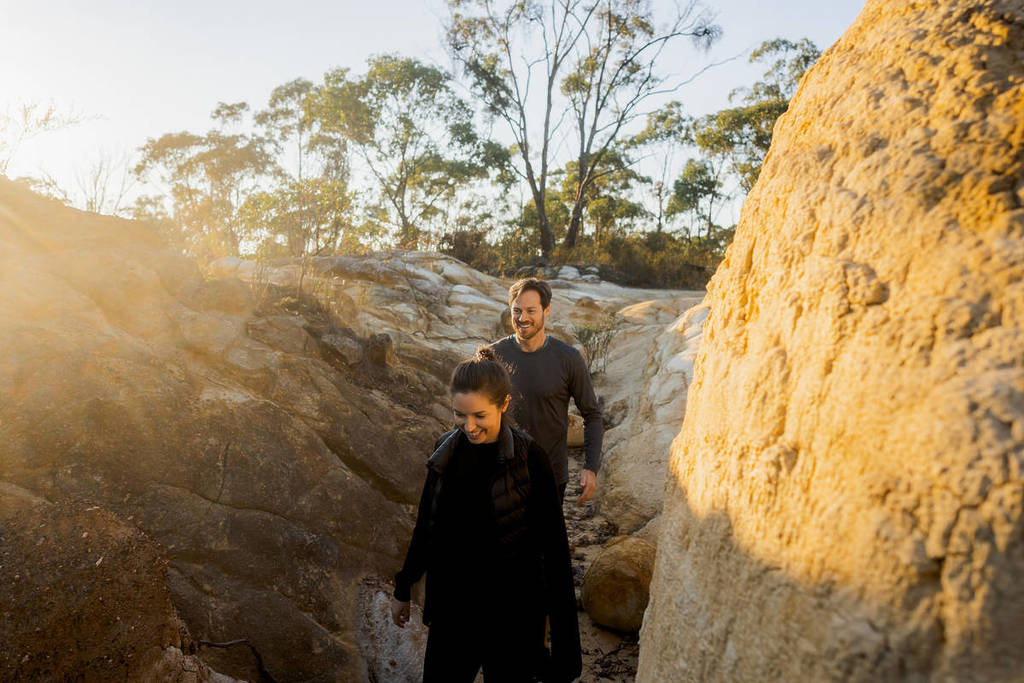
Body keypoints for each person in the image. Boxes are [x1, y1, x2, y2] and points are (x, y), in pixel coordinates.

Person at [390, 346, 582, 683]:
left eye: (480, 416)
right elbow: (427, 524)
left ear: (504, 405)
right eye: (459, 415)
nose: (469, 426)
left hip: (514, 616)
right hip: (453, 611)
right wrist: (403, 587)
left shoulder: (530, 458)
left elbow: (553, 550)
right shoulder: (444, 450)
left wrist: (566, 650)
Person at [491, 278, 603, 504]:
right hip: (503, 475)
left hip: (550, 475)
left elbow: (592, 415)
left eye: (531, 311)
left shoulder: (568, 358)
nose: (522, 318)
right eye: (517, 311)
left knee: (544, 540)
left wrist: (590, 468)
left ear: (547, 310)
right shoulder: (494, 355)